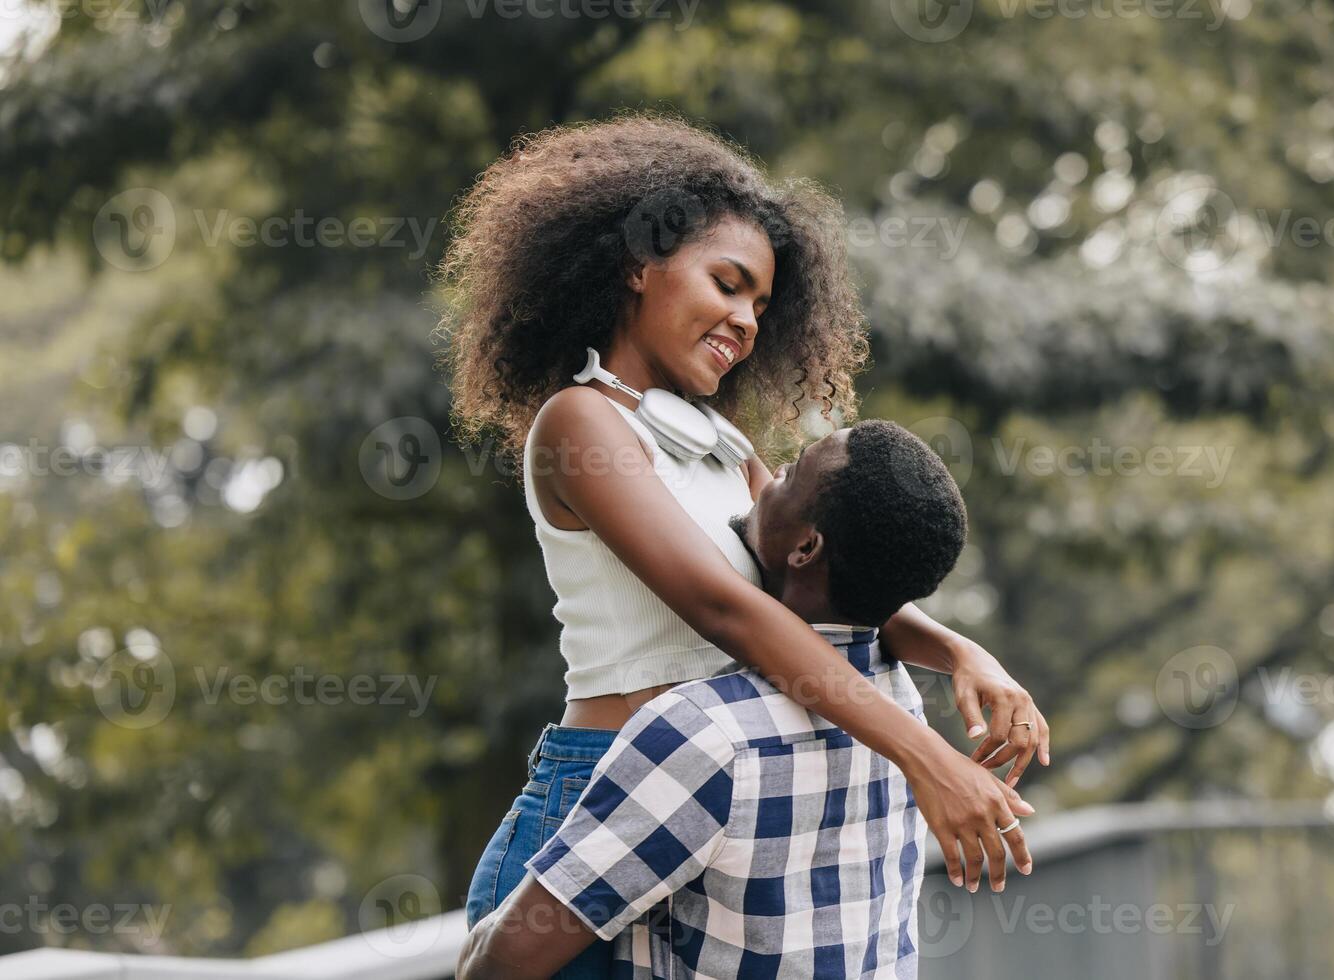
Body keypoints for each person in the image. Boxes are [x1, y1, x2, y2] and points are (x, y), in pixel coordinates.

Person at [440, 114, 1051, 976]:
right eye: (726, 285)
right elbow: (726, 609)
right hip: (593, 808)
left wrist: (962, 654)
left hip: (693, 816)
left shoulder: (717, 440)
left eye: (761, 305)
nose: (746, 321)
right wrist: (926, 756)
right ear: (637, 266)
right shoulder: (583, 422)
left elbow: (823, 556)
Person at [456, 421, 1036, 979]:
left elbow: (501, 963)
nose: (765, 473)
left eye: (790, 472)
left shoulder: (703, 734)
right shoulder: (898, 696)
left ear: (806, 547)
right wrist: (962, 651)